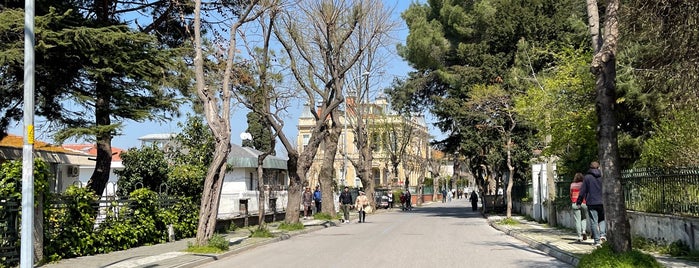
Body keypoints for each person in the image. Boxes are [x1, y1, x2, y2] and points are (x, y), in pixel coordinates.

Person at [576, 161, 606, 247]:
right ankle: (603, 235)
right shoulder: (603, 176)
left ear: (590, 167)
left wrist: (579, 201)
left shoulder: (587, 177)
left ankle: (597, 241)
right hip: (602, 201)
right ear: (598, 167)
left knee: (594, 222)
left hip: (591, 202)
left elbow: (583, 191)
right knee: (602, 219)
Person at [570, 173, 589, 243]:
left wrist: (573, 200)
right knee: (584, 218)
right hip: (584, 203)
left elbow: (571, 194)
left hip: (575, 203)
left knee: (577, 220)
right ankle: (584, 231)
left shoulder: (572, 185)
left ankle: (579, 236)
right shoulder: (584, 184)